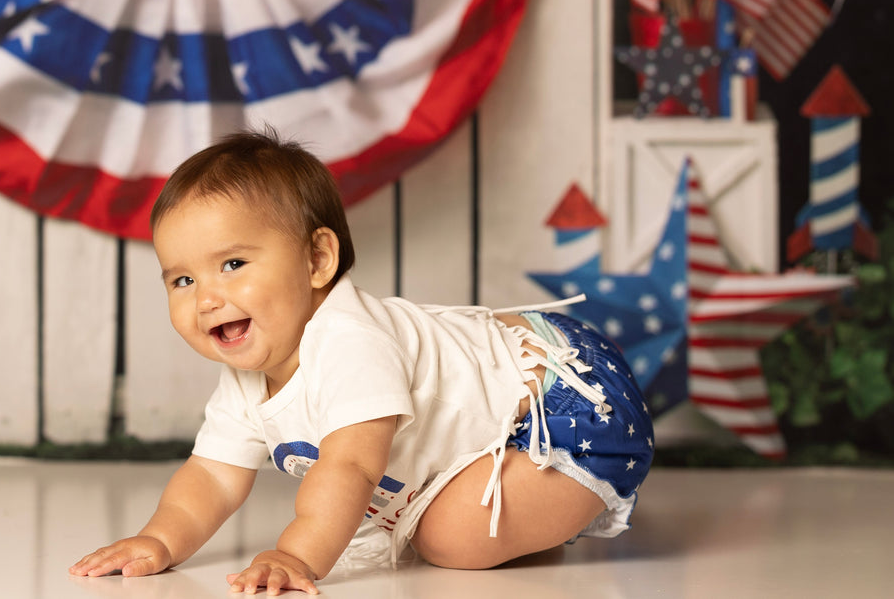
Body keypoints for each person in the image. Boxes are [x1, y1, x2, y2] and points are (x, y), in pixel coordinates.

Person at [69, 129, 653, 595]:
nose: (206, 297)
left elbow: (349, 468)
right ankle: (526, 522)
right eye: (183, 279)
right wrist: (159, 540)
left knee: (448, 539)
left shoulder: (350, 340)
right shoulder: (247, 379)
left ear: (319, 260)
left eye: (233, 265)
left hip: (562, 392)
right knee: (436, 525)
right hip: (508, 404)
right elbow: (213, 477)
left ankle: (546, 509)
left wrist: (297, 554)